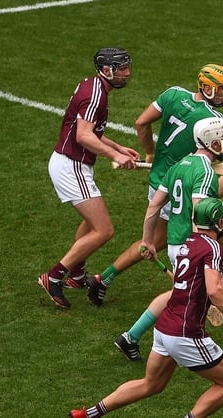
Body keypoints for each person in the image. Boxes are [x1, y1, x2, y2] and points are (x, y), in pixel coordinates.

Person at [115, 117, 223, 387]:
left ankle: (130, 337)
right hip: (194, 245)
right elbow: (200, 214)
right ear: (214, 142)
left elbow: (154, 207)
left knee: (178, 294)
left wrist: (148, 241)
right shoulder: (205, 173)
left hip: (177, 246)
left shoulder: (179, 165)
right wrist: (211, 245)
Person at [68, 198, 223, 418]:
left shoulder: (188, 243)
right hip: (186, 334)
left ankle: (87, 414)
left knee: (151, 385)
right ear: (220, 222)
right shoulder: (212, 248)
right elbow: (214, 289)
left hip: (164, 328)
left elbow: (196, 290)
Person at [82, 64, 223, 307]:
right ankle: (207, 287)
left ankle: (103, 279)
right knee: (210, 238)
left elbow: (141, 122)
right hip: (182, 185)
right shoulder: (214, 121)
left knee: (156, 239)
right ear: (207, 88)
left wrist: (150, 154)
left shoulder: (172, 94)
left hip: (158, 182)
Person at [38, 48, 138, 309]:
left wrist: (118, 148)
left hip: (73, 164)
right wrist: (114, 157)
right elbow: (83, 136)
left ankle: (78, 275)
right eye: (122, 68)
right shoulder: (96, 95)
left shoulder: (94, 87)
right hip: (72, 167)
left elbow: (91, 131)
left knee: (92, 221)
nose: (127, 73)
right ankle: (55, 276)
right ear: (107, 71)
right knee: (104, 230)